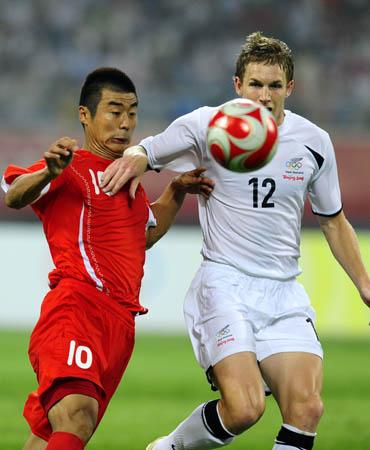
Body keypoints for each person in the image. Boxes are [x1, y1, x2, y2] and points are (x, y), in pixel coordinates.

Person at [100, 32, 370, 450]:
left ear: (290, 88)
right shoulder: (207, 126)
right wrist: (130, 163)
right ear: (238, 86)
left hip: (283, 292)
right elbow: (147, 151)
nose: (265, 96)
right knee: (244, 409)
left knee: (307, 409)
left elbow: (334, 221)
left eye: (275, 86)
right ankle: (169, 448)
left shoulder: (314, 143)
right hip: (225, 284)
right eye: (256, 85)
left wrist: (364, 283)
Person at [1, 67, 214, 450]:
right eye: (114, 111)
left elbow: (143, 237)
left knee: (53, 433)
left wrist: (176, 191)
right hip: (77, 308)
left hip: (119, 327)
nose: (125, 124)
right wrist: (48, 172)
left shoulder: (127, 177)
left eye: (132, 113)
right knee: (77, 416)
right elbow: (14, 194)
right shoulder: (71, 167)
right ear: (85, 114)